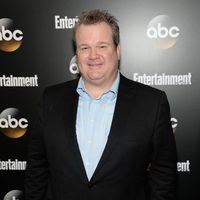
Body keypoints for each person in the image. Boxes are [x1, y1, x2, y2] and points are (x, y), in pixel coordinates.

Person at [25, 9, 177, 200]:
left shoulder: (152, 103)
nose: (93, 56)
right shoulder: (50, 99)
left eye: (102, 46)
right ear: (77, 53)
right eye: (84, 47)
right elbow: (36, 168)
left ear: (118, 50)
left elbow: (163, 175)